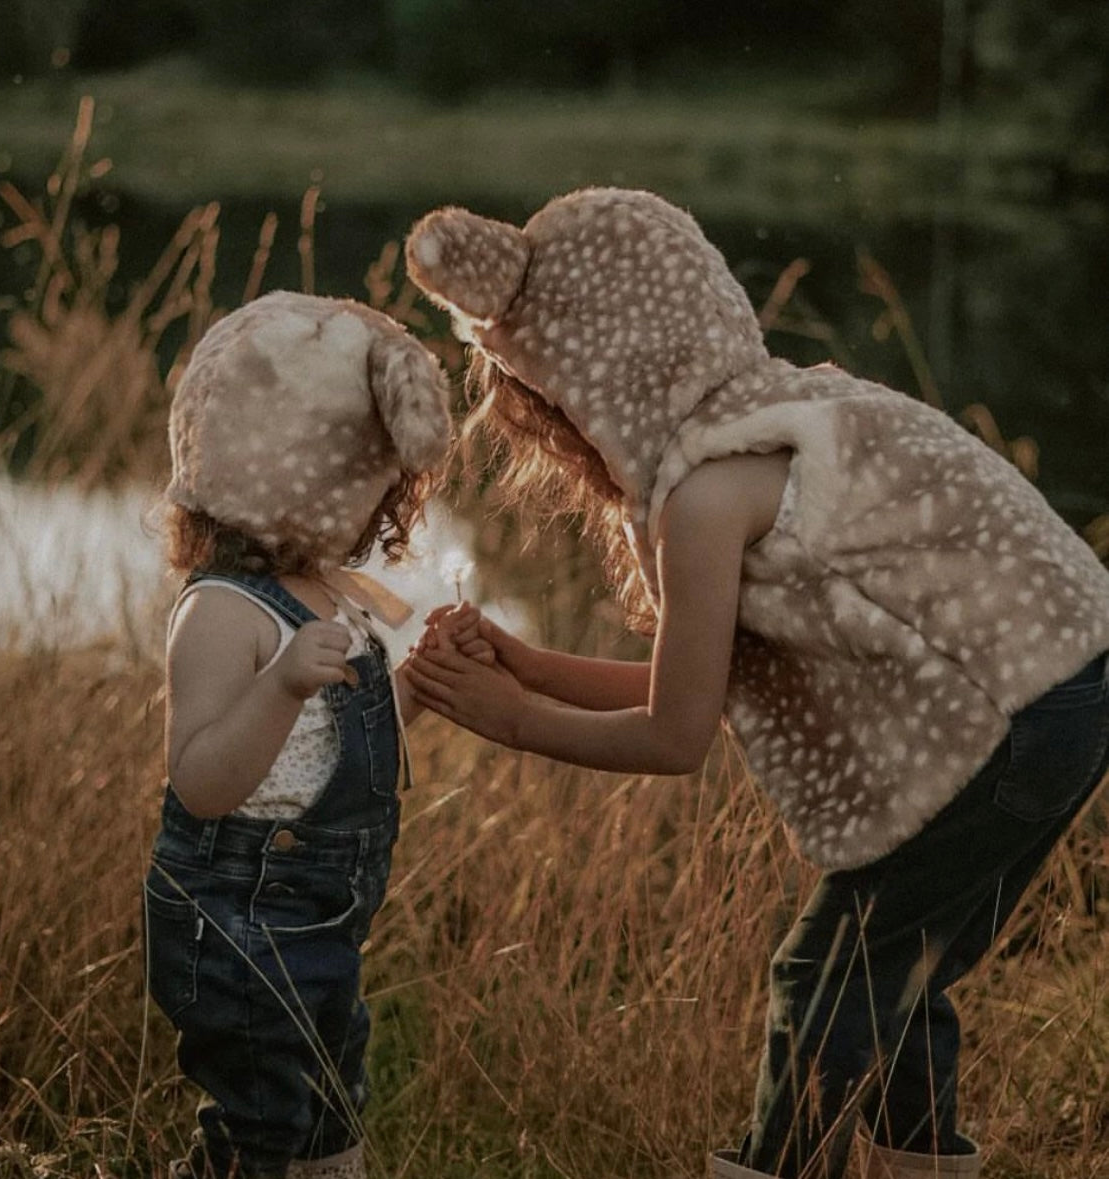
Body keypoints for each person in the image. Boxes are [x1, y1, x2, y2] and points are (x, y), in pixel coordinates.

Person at [401, 188, 1109, 1179]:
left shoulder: (706, 494)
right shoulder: (783, 408)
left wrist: (510, 720)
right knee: (894, 981)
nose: (555, 436)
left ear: (593, 381)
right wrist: (525, 663)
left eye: (542, 404)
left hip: (1012, 713)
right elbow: (698, 684)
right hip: (1065, 681)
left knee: (824, 980)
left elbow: (676, 735)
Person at [144, 291, 454, 1179]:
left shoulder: (333, 597)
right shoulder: (220, 611)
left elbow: (328, 747)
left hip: (323, 918)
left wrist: (415, 688)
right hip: (239, 916)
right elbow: (203, 780)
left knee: (328, 1097)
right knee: (263, 1121)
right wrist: (280, 681)